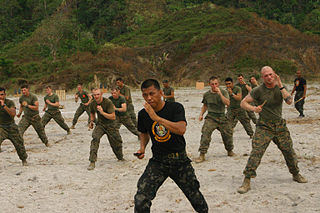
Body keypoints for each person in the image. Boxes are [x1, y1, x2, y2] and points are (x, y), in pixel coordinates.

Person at [134, 79, 208, 213]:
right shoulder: (143, 114)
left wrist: (157, 118)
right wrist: (142, 148)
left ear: (161, 93)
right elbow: (144, 133)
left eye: (152, 93)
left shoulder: (175, 108)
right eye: (145, 95)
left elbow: (181, 129)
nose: (149, 98)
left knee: (196, 199)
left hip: (179, 160)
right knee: (141, 198)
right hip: (158, 161)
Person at [237, 66, 307, 194]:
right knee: (256, 152)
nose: (269, 77)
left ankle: (296, 174)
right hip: (264, 126)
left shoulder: (281, 87)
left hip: (279, 126)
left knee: (289, 150)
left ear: (274, 74)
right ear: (262, 77)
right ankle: (247, 179)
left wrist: (280, 86)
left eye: (271, 74)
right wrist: (254, 109)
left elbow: (289, 101)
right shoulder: (258, 90)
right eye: (266, 76)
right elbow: (243, 103)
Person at [195, 76, 235, 163]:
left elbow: (227, 103)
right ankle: (202, 154)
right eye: (212, 84)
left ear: (218, 84)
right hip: (211, 117)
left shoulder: (224, 92)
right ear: (209, 84)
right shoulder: (206, 94)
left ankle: (230, 150)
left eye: (216, 84)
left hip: (222, 116)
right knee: (205, 133)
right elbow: (205, 105)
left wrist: (220, 93)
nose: (214, 86)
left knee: (228, 134)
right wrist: (201, 114)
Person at [87, 88, 124, 170]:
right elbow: (92, 112)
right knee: (95, 138)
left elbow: (113, 117)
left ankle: (120, 157)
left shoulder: (108, 102)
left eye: (98, 94)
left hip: (111, 125)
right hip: (100, 125)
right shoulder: (92, 104)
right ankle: (92, 161)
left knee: (116, 142)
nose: (96, 96)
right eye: (94, 95)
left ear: (101, 94)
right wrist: (91, 121)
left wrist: (102, 112)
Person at [0, 87, 28, 165]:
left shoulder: (9, 102)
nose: (0, 97)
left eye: (2, 95)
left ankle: (24, 160)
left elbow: (13, 114)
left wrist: (4, 106)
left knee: (19, 144)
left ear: (5, 95)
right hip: (1, 127)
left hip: (11, 126)